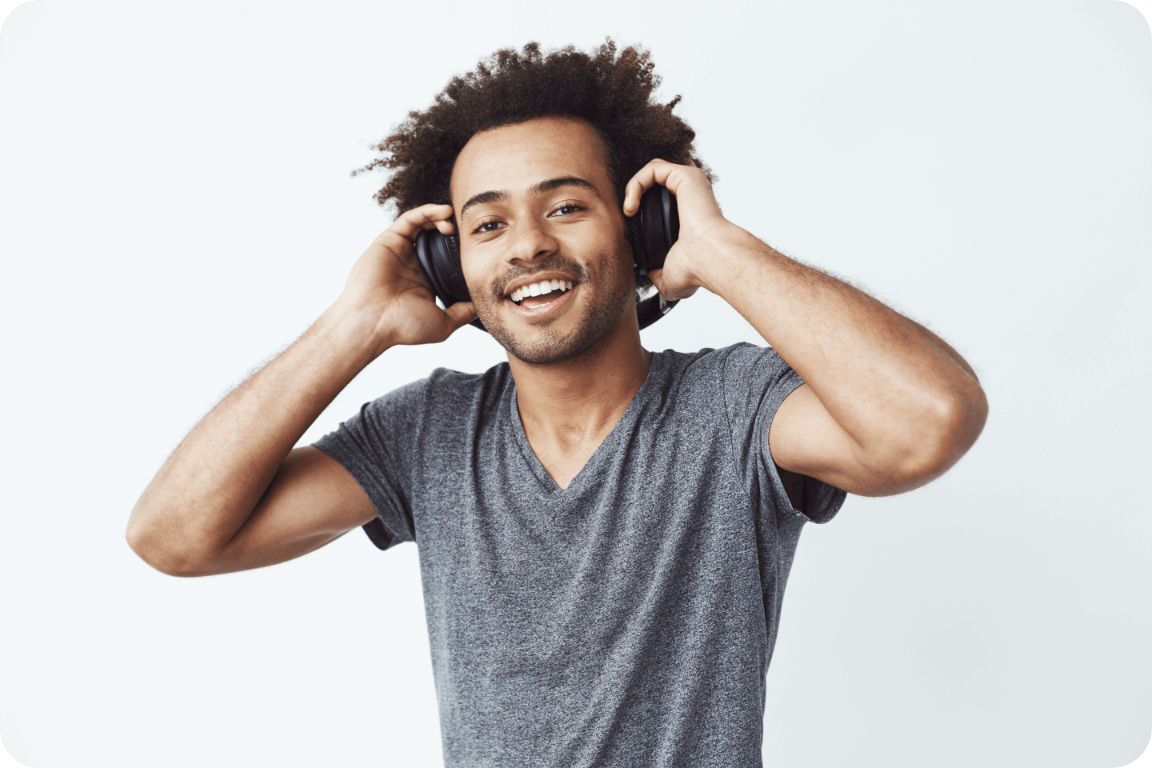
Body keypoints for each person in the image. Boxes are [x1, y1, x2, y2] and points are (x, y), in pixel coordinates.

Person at [127, 40, 987, 767]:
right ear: (448, 265)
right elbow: (175, 538)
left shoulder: (735, 409)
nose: (530, 243)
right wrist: (355, 326)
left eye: (567, 206)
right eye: (488, 224)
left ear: (641, 225)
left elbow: (928, 422)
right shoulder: (428, 432)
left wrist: (723, 253)